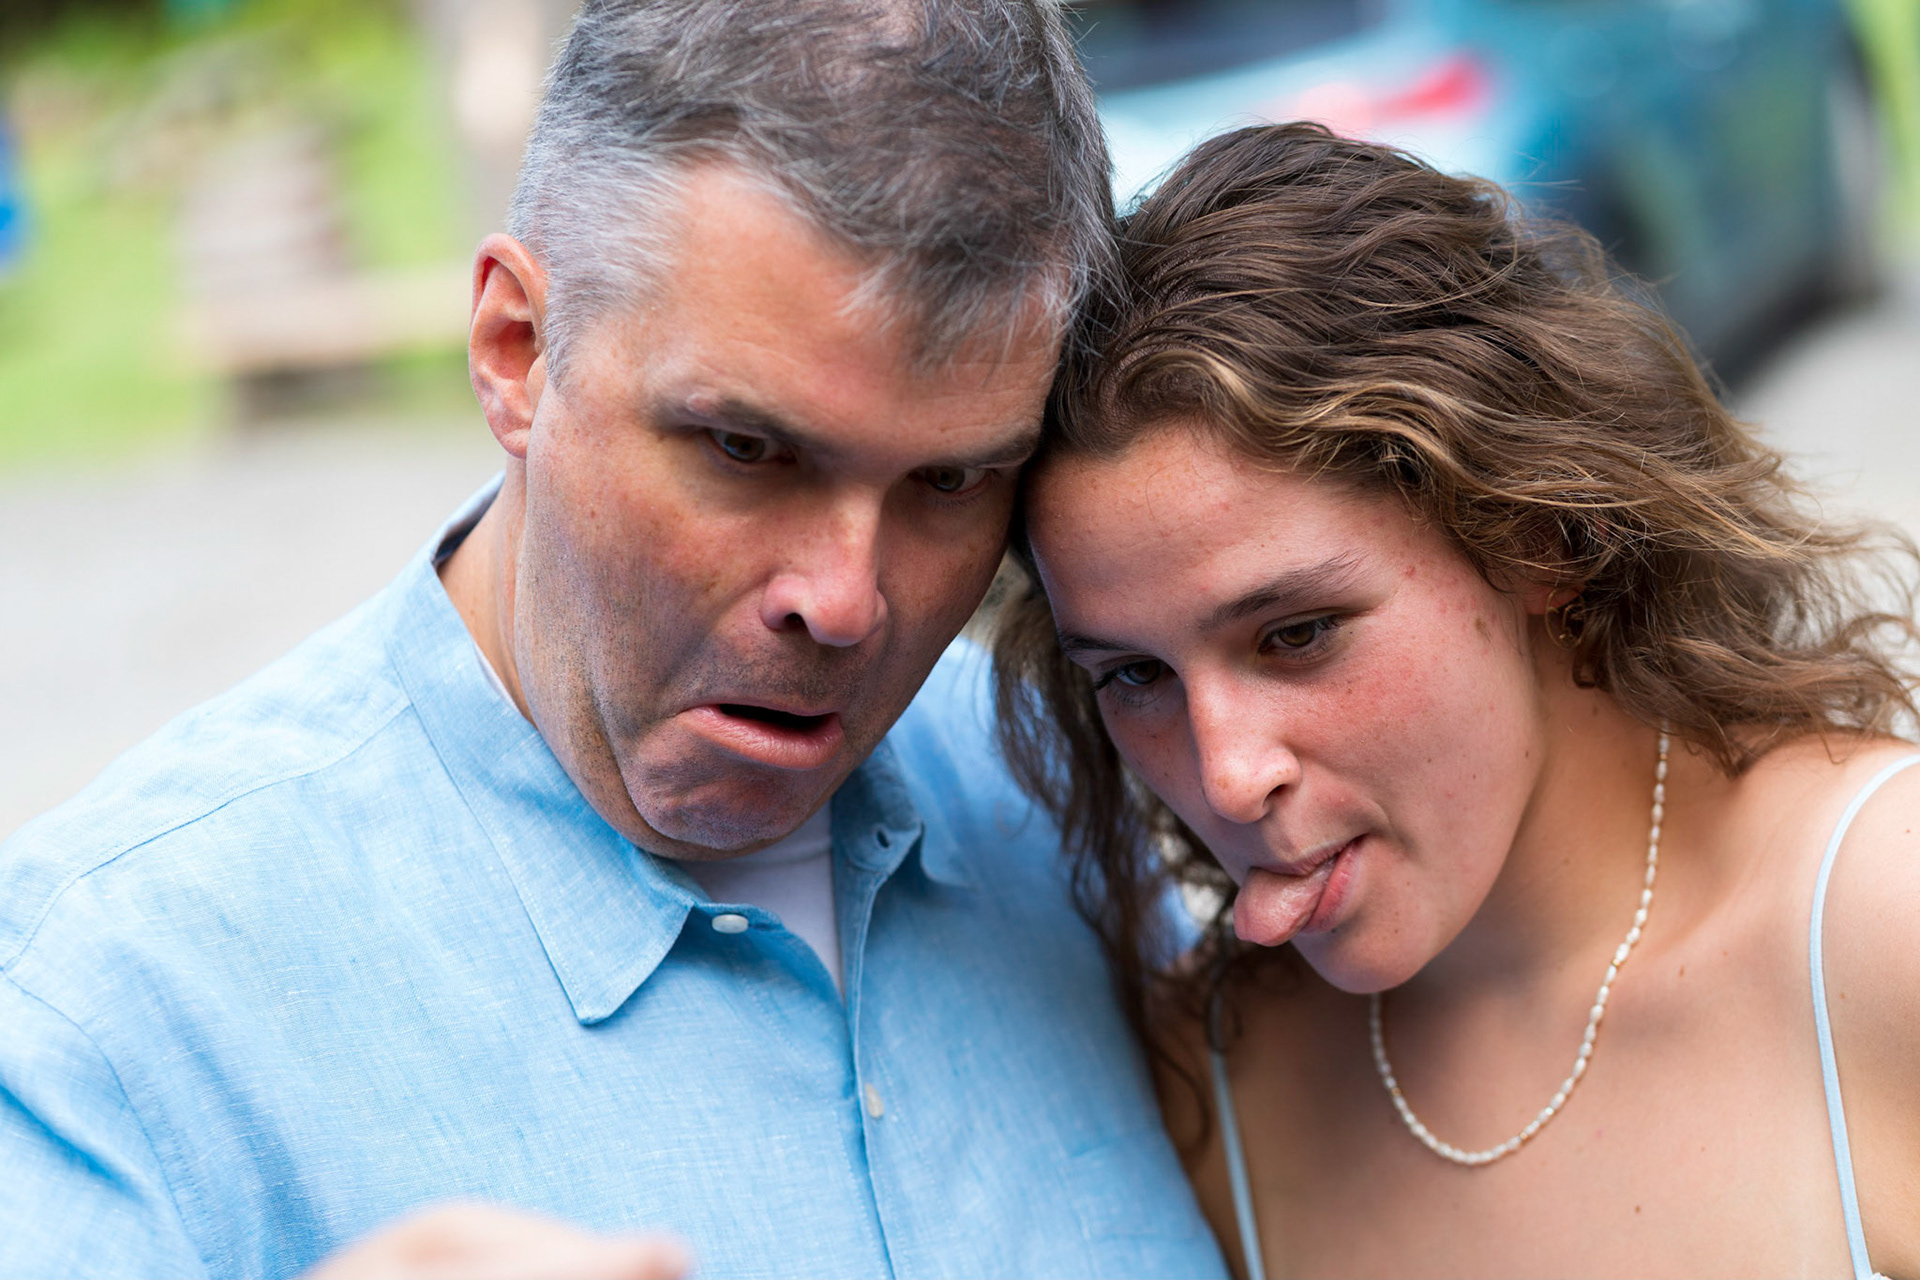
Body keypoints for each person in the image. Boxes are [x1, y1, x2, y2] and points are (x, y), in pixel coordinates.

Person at [0, 4, 1227, 1278]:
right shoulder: (106, 1007)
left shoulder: (1070, 789)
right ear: (517, 350)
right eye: (747, 449)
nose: (846, 597)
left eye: (954, 482)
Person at [993, 122, 1920, 1278]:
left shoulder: (1879, 925)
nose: (1226, 773)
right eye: (1134, 676)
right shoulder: (1216, 1077)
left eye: (1296, 633)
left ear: (1536, 531)